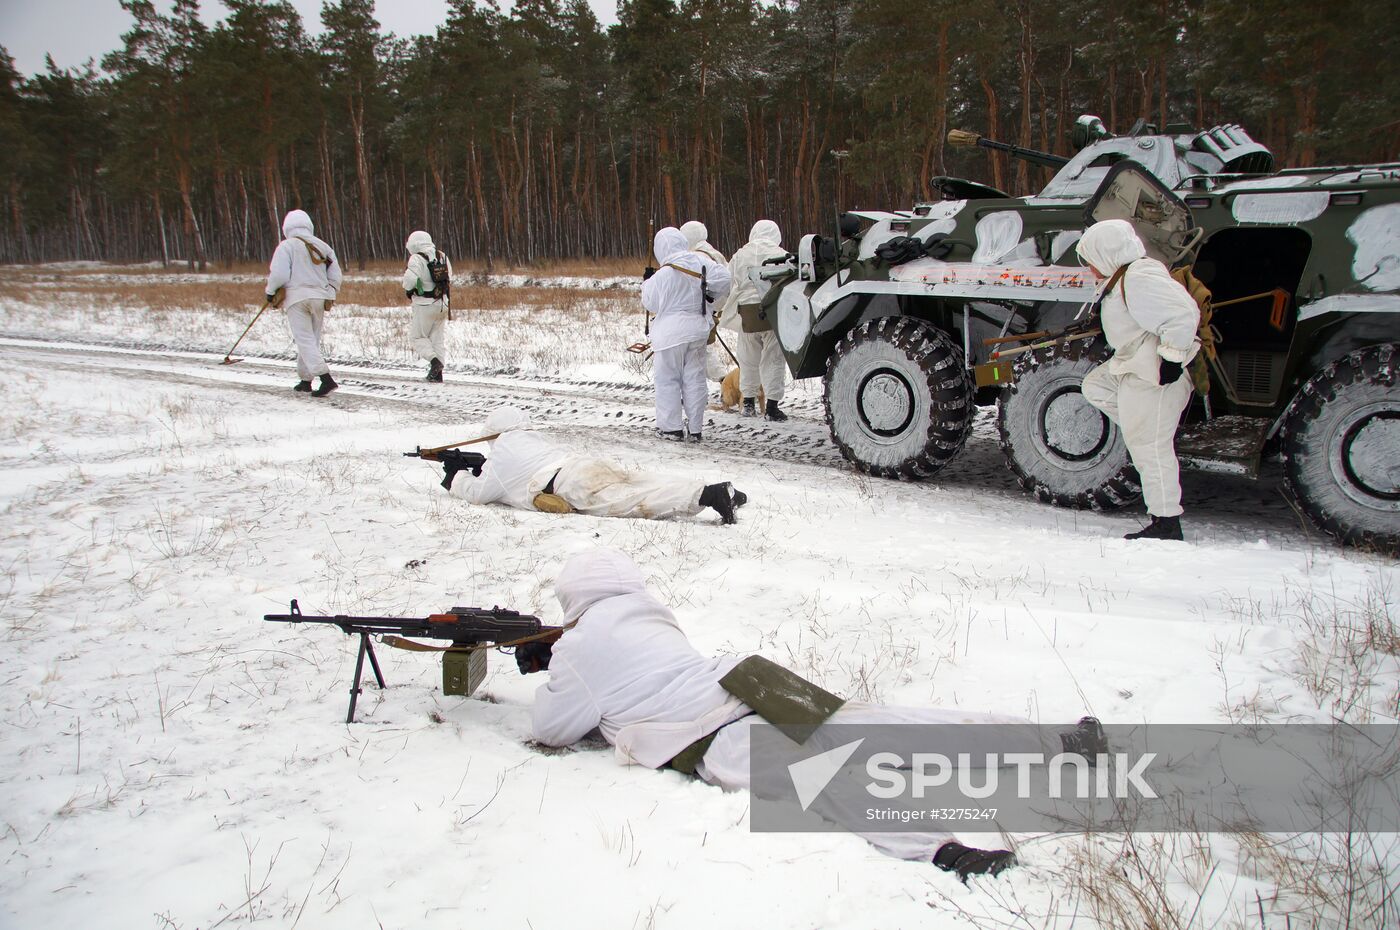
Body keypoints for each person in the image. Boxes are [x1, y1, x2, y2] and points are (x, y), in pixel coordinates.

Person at [530, 548, 1094, 879]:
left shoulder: (577, 649)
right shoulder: (649, 608)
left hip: (710, 732)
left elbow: (552, 729)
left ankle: (944, 850)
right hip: (750, 682)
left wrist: (548, 660)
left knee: (825, 782)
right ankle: (1061, 742)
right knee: (896, 729)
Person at [1076, 220, 1200, 541]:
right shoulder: (1122, 278)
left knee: (1149, 447)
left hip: (1153, 372)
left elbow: (1183, 314)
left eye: (1089, 259)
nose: (1088, 267)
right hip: (1133, 365)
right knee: (1095, 386)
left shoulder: (1139, 277)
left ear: (1106, 253)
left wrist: (1172, 358)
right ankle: (1147, 426)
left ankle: (1166, 522)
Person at [447, 407, 749, 523]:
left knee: (636, 501)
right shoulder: (531, 438)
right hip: (582, 465)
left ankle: (709, 497)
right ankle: (713, 489)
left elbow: (480, 494)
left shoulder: (501, 453)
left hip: (571, 485)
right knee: (644, 482)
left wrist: (456, 478)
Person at [642, 227, 732, 442]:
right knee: (694, 379)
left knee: (668, 380)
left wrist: (647, 282)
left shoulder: (663, 274)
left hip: (669, 335)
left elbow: (650, 302)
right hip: (697, 330)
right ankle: (695, 428)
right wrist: (709, 296)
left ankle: (671, 428)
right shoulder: (701, 263)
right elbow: (724, 279)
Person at [266, 209, 342, 397]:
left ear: (286, 228)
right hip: (319, 297)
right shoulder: (323, 246)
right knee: (311, 340)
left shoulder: (286, 246)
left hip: (297, 298)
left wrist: (270, 292)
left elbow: (279, 274)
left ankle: (326, 379)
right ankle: (306, 380)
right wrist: (330, 294)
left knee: (304, 339)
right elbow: (335, 275)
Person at [722, 220, 790, 420]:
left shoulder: (740, 254)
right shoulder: (782, 254)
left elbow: (727, 281)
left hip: (747, 315)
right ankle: (772, 407)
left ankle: (749, 403)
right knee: (773, 359)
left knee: (747, 359)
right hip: (773, 313)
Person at [401, 229, 453, 383]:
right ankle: (438, 374)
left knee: (418, 337)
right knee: (437, 338)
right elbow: (450, 275)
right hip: (442, 303)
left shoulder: (416, 258)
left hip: (424, 304)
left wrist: (409, 289)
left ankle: (434, 362)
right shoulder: (441, 255)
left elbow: (409, 280)